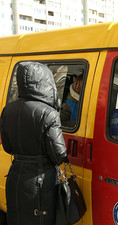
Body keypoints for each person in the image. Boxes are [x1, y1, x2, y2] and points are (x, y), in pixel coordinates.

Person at [0, 62, 68, 225]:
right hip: (40, 181)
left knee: (17, 218)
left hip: (15, 176)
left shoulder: (7, 110)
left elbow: (8, 147)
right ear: (45, 82)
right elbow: (59, 155)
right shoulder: (49, 114)